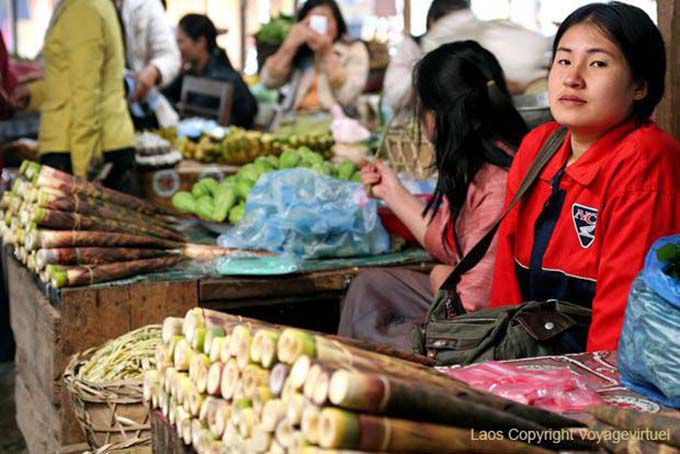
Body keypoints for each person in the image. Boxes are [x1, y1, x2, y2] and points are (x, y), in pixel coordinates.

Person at [489, 2, 680, 352]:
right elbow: (505, 274)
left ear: (639, 86)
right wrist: (500, 357)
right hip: (530, 353)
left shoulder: (644, 160)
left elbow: (625, 314)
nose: (572, 77)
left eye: (597, 63)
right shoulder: (538, 146)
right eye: (563, 60)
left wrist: (594, 394)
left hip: (597, 369)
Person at [338, 41, 529, 350]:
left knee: (375, 334)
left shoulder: (498, 183)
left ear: (438, 115)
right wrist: (391, 190)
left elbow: (473, 305)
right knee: (369, 287)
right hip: (461, 298)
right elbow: (450, 242)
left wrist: (442, 276)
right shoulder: (478, 166)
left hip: (489, 329)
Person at [13, 0, 136, 192]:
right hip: (84, 143)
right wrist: (32, 94)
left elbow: (86, 93)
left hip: (79, 150)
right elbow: (69, 81)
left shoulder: (83, 7)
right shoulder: (86, 5)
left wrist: (85, 171)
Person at [260, 0, 369, 122]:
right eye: (314, 21)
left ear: (338, 23)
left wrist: (327, 53)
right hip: (293, 121)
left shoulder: (354, 50)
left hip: (337, 125)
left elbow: (348, 97)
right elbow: (267, 82)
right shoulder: (300, 50)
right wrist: (289, 45)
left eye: (327, 20)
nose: (320, 27)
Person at [162, 14, 257, 129]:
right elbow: (166, 96)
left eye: (181, 41)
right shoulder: (191, 72)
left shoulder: (225, 77)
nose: (177, 48)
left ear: (200, 42)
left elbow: (249, 111)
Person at [383, 0, 474, 116]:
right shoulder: (411, 48)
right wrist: (428, 64)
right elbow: (394, 98)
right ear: (433, 23)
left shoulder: (469, 52)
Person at [115, 0, 181, 129]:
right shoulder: (80, 7)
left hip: (142, 109)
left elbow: (170, 55)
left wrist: (154, 71)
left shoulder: (147, 4)